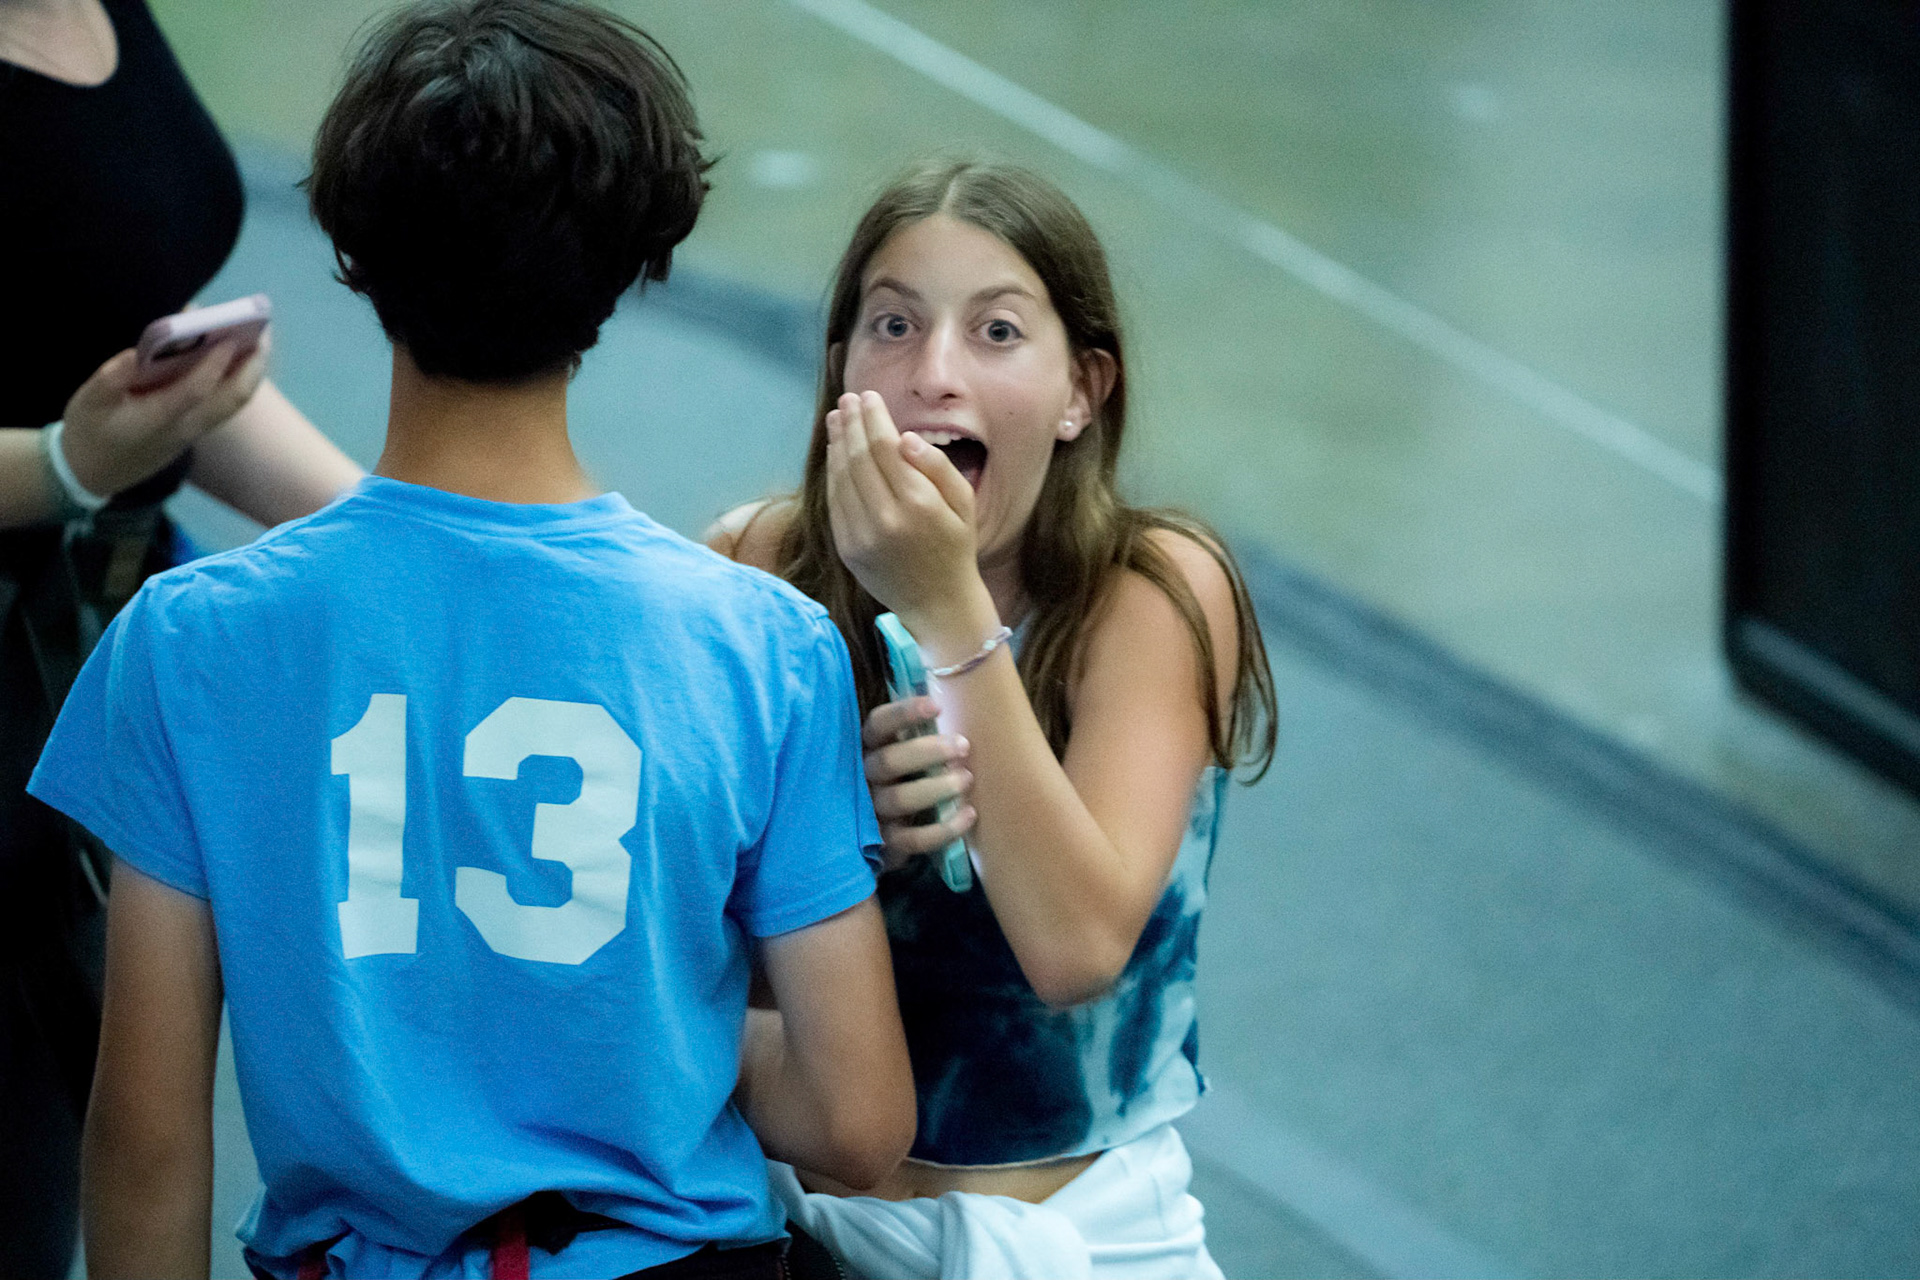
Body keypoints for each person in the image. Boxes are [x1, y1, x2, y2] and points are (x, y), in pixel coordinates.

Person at [28, 2, 914, 1276]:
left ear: (349, 243)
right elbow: (856, 1121)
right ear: (635, 265)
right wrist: (653, 1010)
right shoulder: (760, 647)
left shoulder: (190, 642)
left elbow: (149, 1137)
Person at [708, 159, 1278, 1279]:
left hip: (1083, 1236)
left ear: (1083, 391)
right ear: (840, 372)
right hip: (791, 1222)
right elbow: (674, 958)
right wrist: (838, 841)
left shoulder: (1152, 589)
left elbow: (1077, 947)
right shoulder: (753, 567)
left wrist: (944, 600)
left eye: (998, 332)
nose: (934, 372)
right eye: (892, 323)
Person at [0, 0, 361, 1271]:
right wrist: (59, 462)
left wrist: (403, 531)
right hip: (20, 672)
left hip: (100, 650)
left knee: (69, 1103)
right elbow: (102, 429)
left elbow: (146, 363)